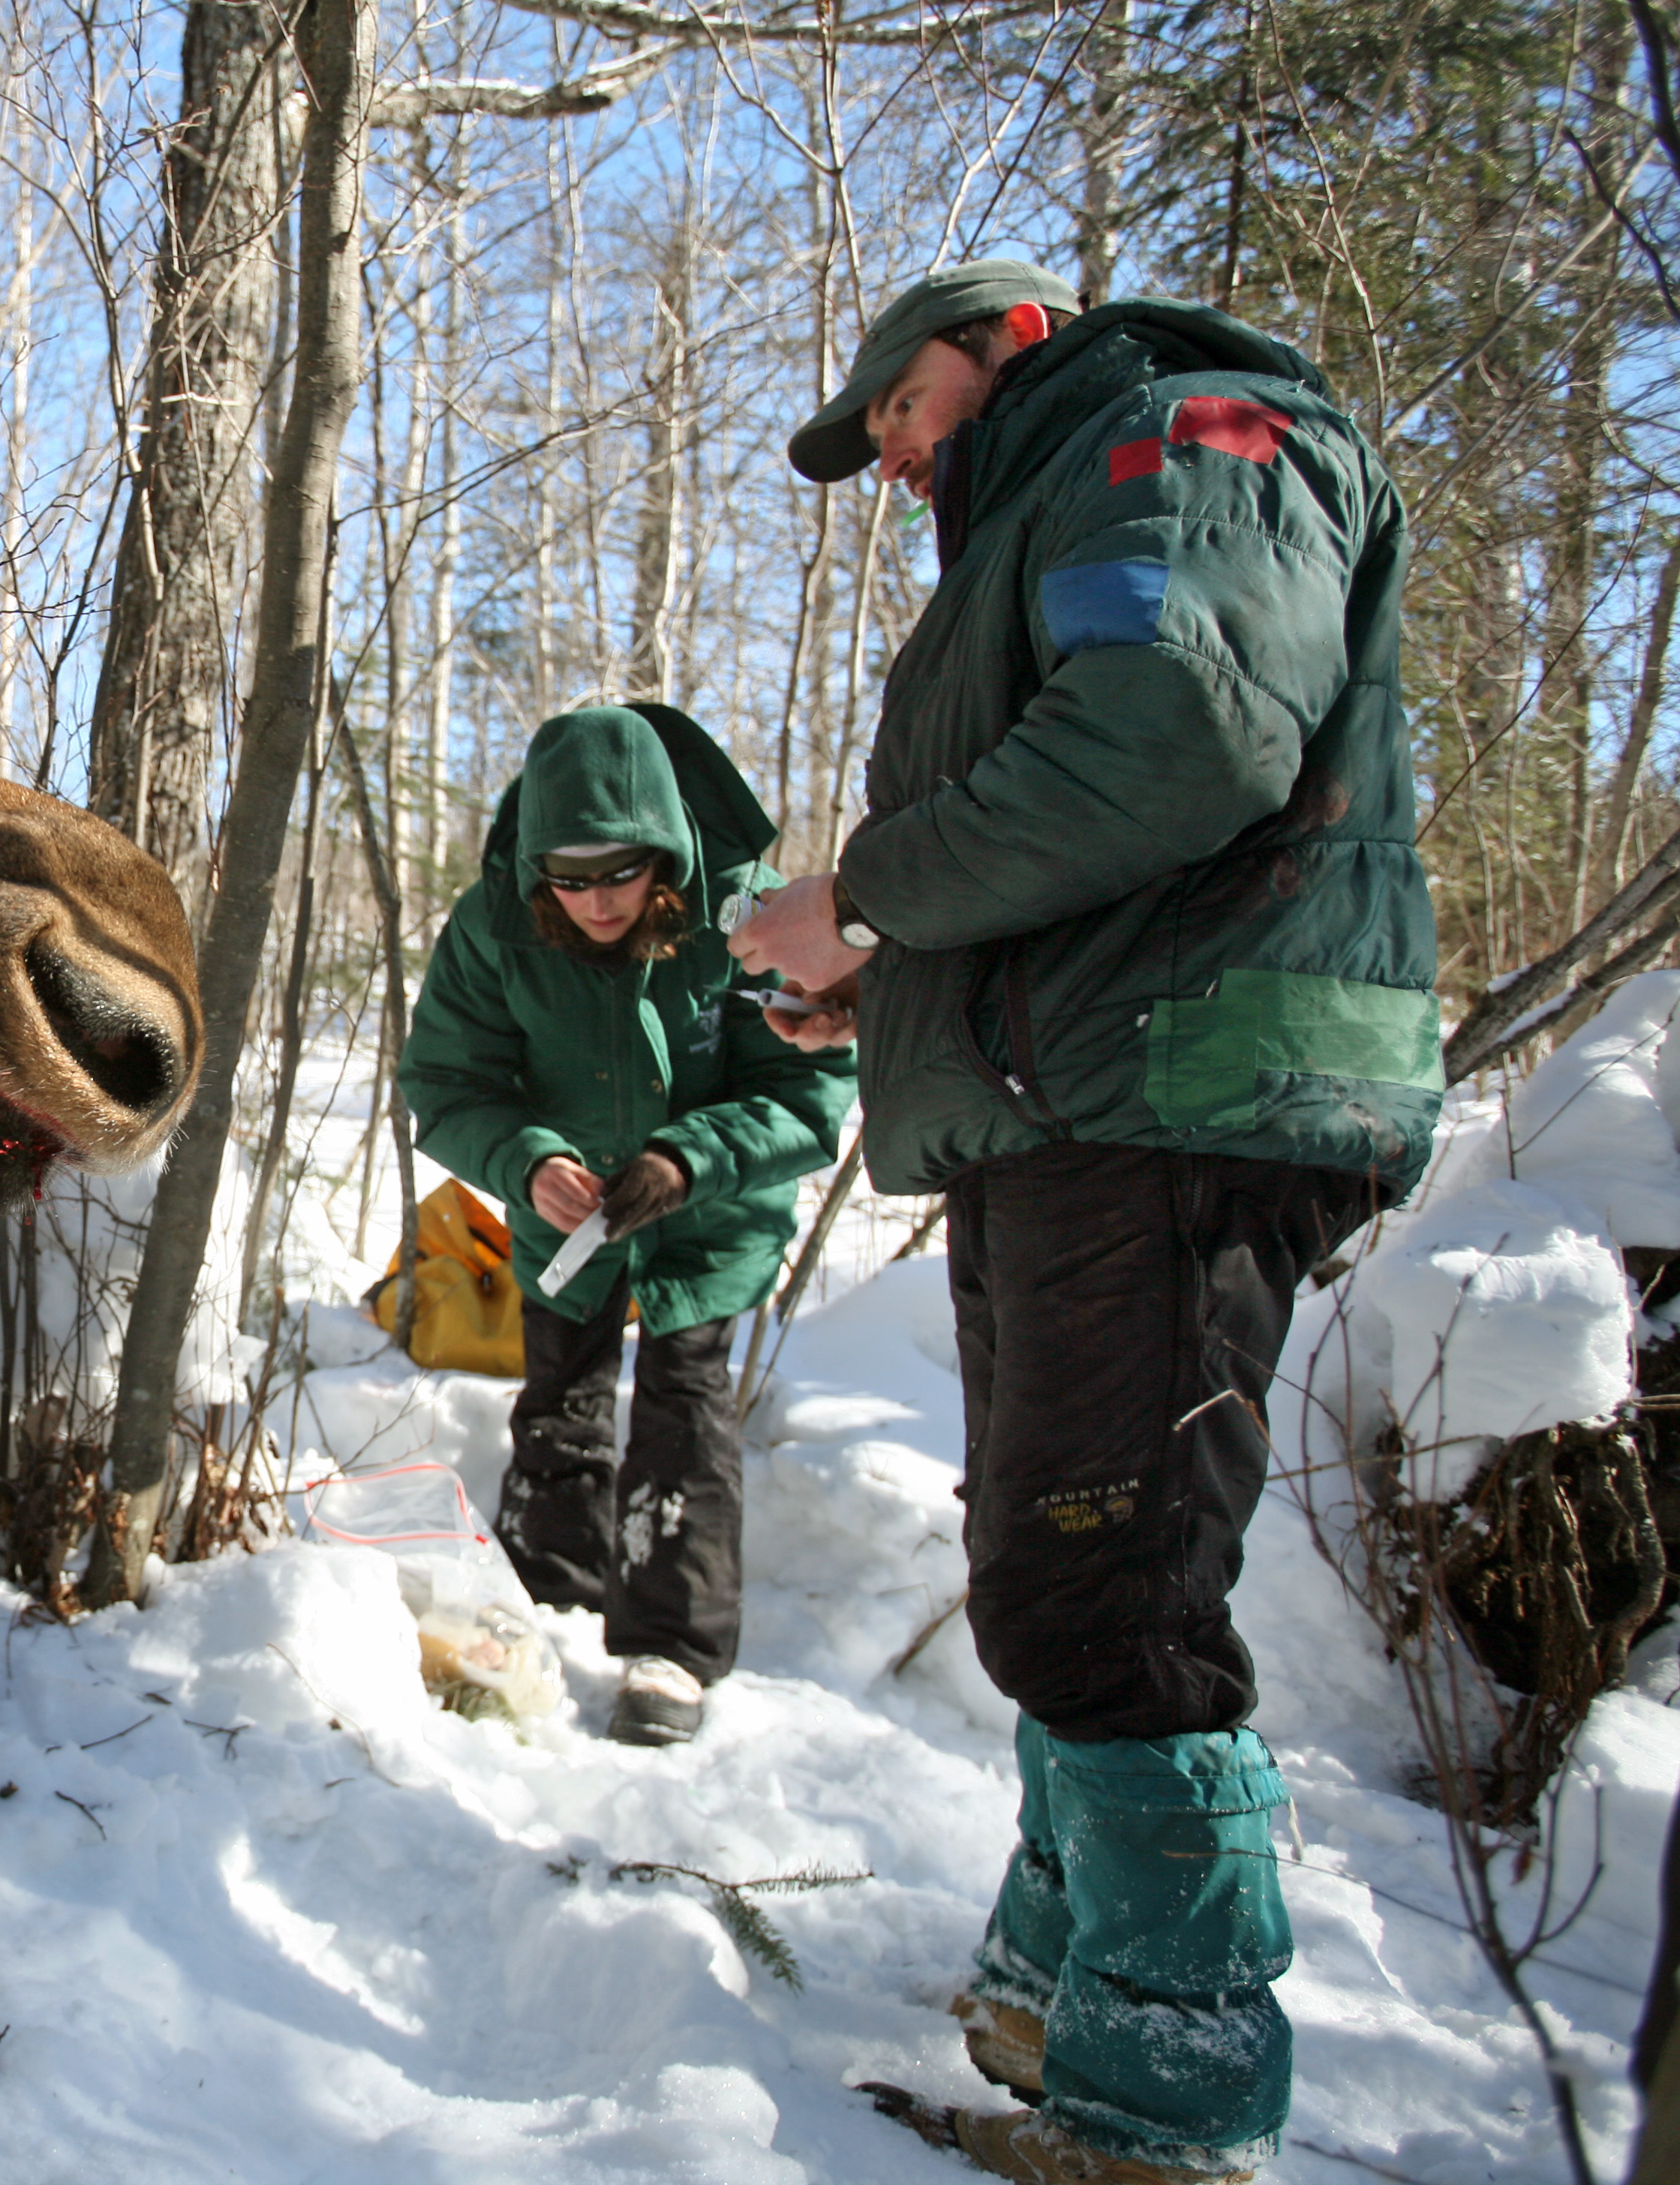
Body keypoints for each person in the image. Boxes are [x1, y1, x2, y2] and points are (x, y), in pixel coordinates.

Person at [735, 260, 1439, 2183]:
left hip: (1181, 1095)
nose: (888, 455)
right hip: (1082, 1104)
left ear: (999, 345)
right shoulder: (1062, 500)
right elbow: (1078, 853)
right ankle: (1065, 1997)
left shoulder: (1178, 437)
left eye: (896, 407)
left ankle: (1168, 2108)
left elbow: (1187, 735)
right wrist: (872, 983)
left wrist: (866, 894)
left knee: (1104, 1591)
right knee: (1048, 1558)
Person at [401, 703, 855, 1748]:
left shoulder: (748, 917)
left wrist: (685, 1159)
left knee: (685, 1419)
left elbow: (808, 1095)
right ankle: (537, 1613)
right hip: (564, 1224)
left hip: (710, 1222)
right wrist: (525, 1159)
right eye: (569, 875)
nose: (597, 900)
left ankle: (671, 1652)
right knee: (556, 1403)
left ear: (665, 852)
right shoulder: (494, 924)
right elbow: (445, 1081)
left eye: (622, 873)